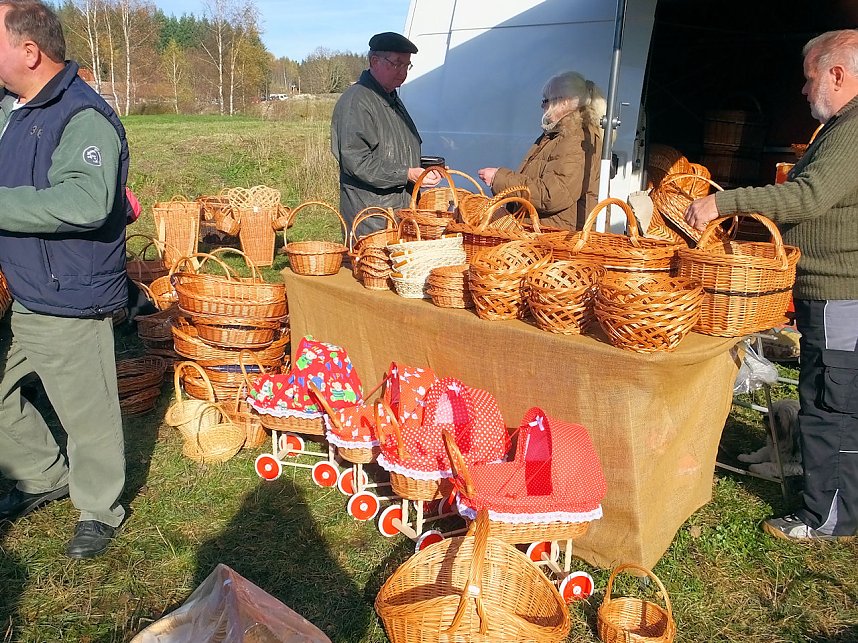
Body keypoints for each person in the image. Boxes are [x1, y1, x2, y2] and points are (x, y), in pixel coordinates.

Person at [685, 29, 858, 542]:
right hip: (828, 291)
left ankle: (827, 518)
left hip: (840, 292)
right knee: (825, 395)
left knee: (834, 404)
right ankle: (827, 498)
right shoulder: (841, 128)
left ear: (837, 74)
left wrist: (725, 203)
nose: (804, 93)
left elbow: (809, 197)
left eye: (809, 81)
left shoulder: (853, 129)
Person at [0, 0, 129, 558]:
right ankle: (43, 474)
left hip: (68, 292)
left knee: (87, 414)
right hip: (26, 290)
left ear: (29, 51)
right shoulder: (16, 108)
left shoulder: (82, 115)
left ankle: (100, 507)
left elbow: (86, 201)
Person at [331, 31, 441, 237]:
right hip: (372, 216)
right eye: (397, 63)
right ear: (374, 61)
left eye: (407, 65)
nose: (403, 72)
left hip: (397, 211)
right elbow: (356, 161)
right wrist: (406, 174)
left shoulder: (391, 98)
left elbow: (396, 150)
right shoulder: (357, 101)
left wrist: (427, 169)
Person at [478, 71, 605, 231]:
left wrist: (499, 179)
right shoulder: (558, 134)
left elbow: (552, 194)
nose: (542, 106)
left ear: (564, 102)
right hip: (548, 233)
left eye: (545, 100)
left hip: (556, 240)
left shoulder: (575, 139)